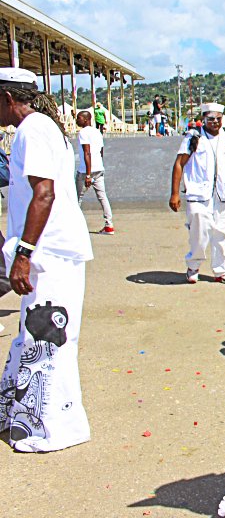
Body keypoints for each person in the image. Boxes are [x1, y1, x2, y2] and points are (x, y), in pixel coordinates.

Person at [0, 67, 94, 452]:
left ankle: (52, 429)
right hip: (51, 252)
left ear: (7, 99)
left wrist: (23, 253)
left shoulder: (33, 129)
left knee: (47, 339)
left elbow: (44, 194)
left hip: (49, 253)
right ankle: (16, 415)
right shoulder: (40, 127)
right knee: (33, 335)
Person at [169, 102, 225, 284]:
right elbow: (179, 164)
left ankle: (222, 270)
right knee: (199, 232)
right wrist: (174, 193)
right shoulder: (194, 137)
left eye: (218, 119)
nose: (215, 122)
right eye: (211, 119)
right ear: (203, 119)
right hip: (199, 194)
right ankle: (193, 266)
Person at [75, 110, 114, 235]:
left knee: (77, 199)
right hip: (99, 169)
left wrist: (87, 174)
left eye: (79, 118)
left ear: (86, 119)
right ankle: (109, 225)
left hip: (85, 170)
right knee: (102, 197)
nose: (77, 120)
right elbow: (101, 151)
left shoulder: (83, 132)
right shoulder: (97, 132)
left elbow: (87, 152)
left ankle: (74, 227)